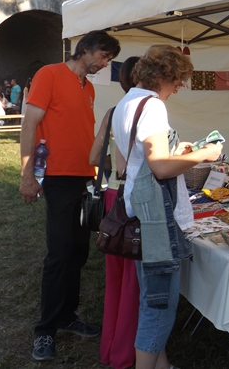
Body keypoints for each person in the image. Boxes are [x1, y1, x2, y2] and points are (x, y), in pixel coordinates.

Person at [112, 45, 222, 369]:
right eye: (178, 81)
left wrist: (177, 150)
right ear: (165, 77)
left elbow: (140, 159)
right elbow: (160, 168)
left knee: (152, 300)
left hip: (141, 213)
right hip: (156, 220)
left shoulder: (127, 102)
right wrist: (204, 155)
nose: (178, 89)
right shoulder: (153, 106)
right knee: (159, 308)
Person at [19, 30, 121, 362]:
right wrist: (27, 175)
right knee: (59, 254)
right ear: (86, 49)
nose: (104, 63)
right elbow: (29, 125)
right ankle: (45, 329)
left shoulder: (88, 87)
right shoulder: (49, 74)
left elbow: (82, 134)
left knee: (78, 252)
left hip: (84, 178)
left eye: (109, 59)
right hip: (58, 177)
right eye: (103, 56)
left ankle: (66, 315)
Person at [89, 56, 140, 369]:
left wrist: (113, 164)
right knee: (133, 281)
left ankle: (111, 348)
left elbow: (93, 156)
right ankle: (124, 353)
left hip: (111, 197)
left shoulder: (112, 111)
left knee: (116, 278)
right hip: (132, 199)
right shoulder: (143, 111)